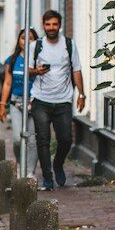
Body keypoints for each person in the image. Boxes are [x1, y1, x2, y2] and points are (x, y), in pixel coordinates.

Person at [28, 10, 86, 191]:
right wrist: (36, 71)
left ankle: (58, 164)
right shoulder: (35, 46)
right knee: (42, 139)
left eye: (54, 24)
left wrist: (81, 95)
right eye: (48, 24)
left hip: (63, 100)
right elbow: (28, 70)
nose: (51, 28)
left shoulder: (69, 44)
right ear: (43, 25)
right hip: (41, 100)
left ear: (60, 25)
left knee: (66, 139)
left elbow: (76, 69)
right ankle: (47, 177)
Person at [0, 28, 39, 175]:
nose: (26, 41)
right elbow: (7, 83)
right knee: (17, 138)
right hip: (16, 103)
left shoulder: (40, 59)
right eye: (23, 38)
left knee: (33, 141)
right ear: (18, 41)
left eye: (31, 38)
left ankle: (29, 173)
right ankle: (21, 165)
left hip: (35, 104)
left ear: (36, 41)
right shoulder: (12, 60)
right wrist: (2, 105)